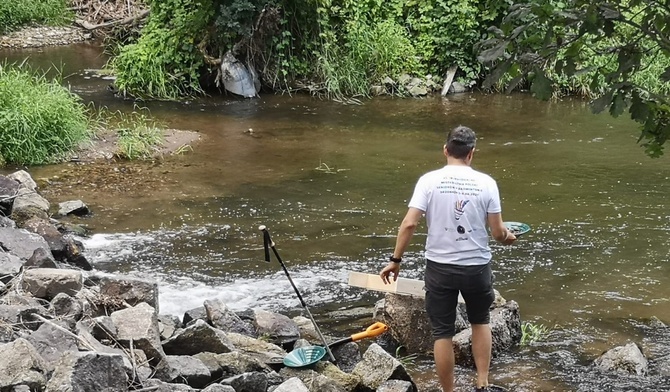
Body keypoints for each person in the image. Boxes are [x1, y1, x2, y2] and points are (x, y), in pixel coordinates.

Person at [379, 125, 516, 392]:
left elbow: (408, 224)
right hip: (476, 267)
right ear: (471, 154)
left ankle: (448, 391)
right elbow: (498, 233)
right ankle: (482, 383)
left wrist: (395, 259)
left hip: (440, 268)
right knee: (480, 321)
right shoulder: (487, 183)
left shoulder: (428, 181)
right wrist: (509, 237)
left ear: (445, 150)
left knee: (442, 333)